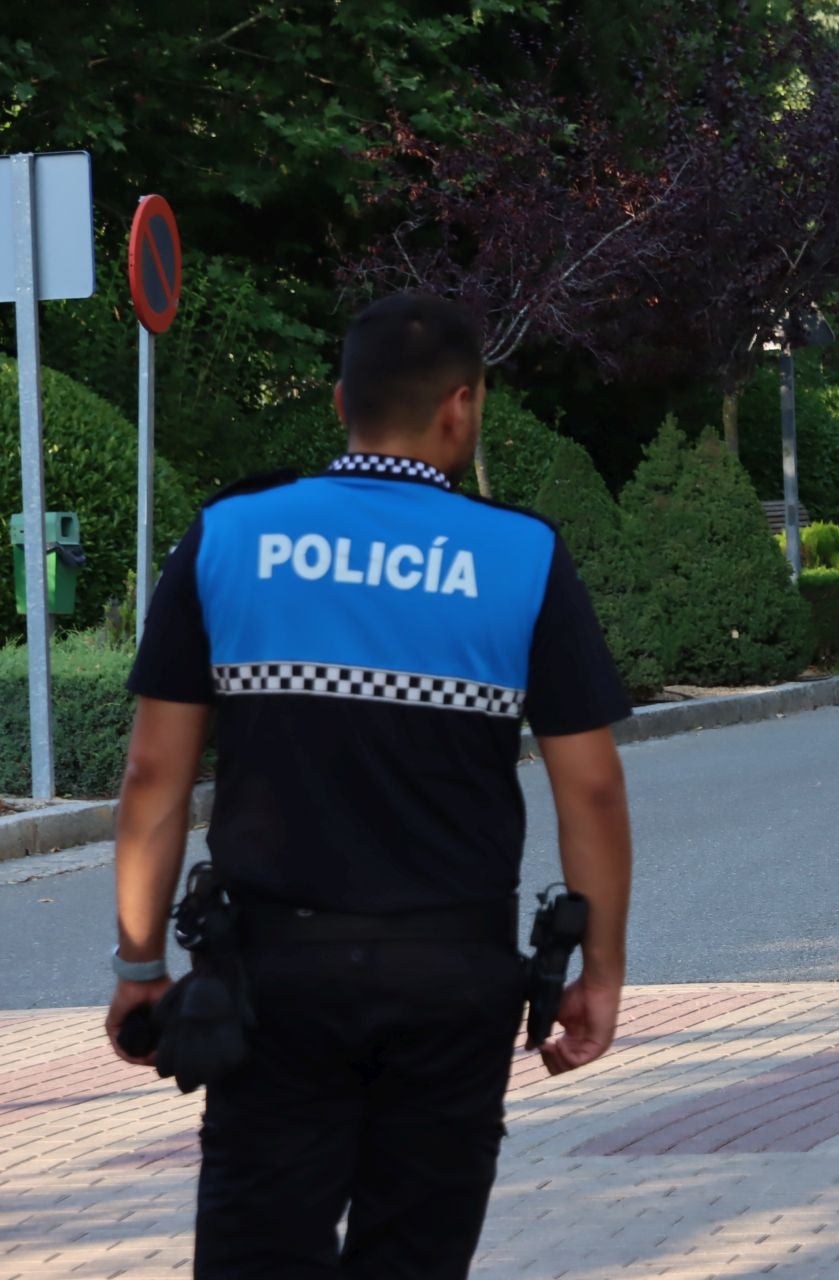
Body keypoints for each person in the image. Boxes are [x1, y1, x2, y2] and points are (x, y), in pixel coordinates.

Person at [104, 293, 635, 1278]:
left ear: (342, 398)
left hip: (272, 980)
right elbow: (592, 789)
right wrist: (598, 969)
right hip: (453, 978)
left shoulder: (229, 536)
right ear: (462, 406)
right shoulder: (522, 555)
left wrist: (140, 964)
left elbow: (152, 773)